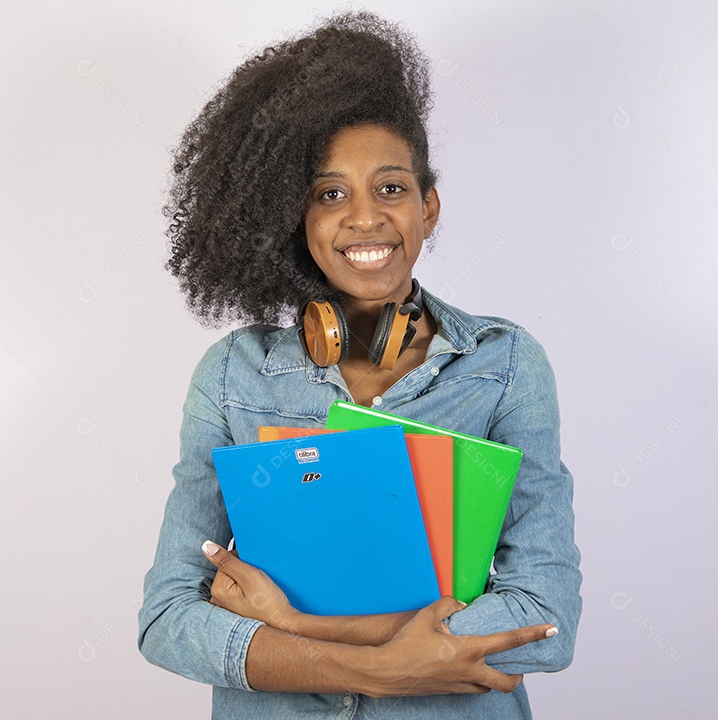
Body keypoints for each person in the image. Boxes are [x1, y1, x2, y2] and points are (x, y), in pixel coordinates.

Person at [138, 11, 582, 718]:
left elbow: (545, 619)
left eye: (392, 188)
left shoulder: (502, 366)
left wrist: (299, 628)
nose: (366, 218)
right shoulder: (231, 377)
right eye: (330, 193)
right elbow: (168, 620)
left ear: (428, 207)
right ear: (295, 216)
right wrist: (393, 664)